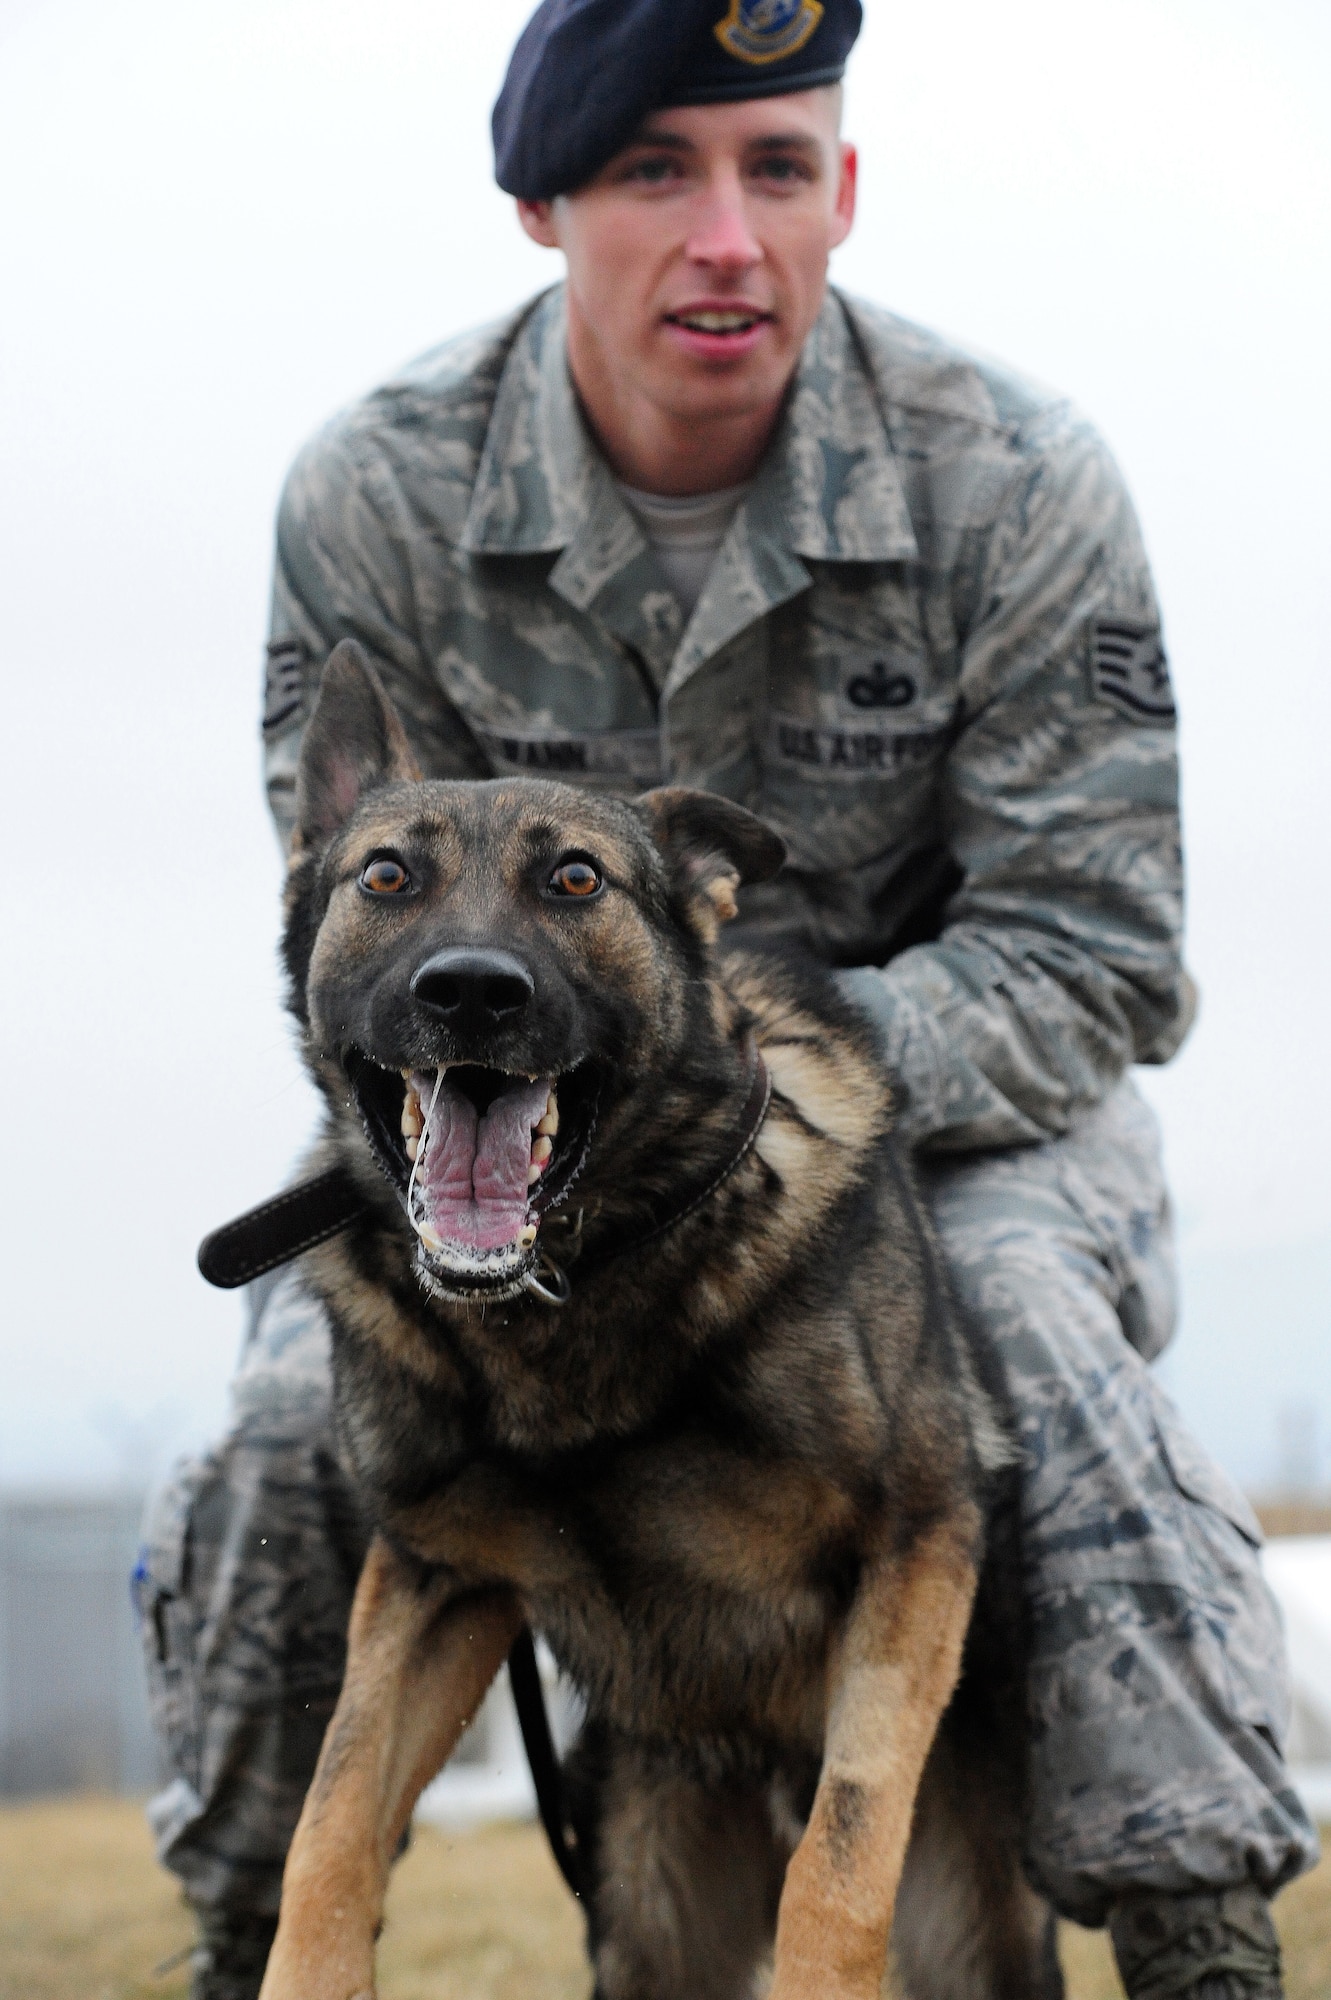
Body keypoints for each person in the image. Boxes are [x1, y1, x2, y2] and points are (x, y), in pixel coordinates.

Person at [135, 3, 1317, 1996]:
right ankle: (250, 1931)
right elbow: (352, 908)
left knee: (1029, 1352)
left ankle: (1200, 1932)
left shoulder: (1013, 480)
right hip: (498, 1112)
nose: (725, 234)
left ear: (842, 192)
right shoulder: (378, 491)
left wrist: (764, 1090)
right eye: (654, 170)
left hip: (954, 1117)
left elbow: (1095, 949)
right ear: (544, 201)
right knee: (283, 1417)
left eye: (777, 168)